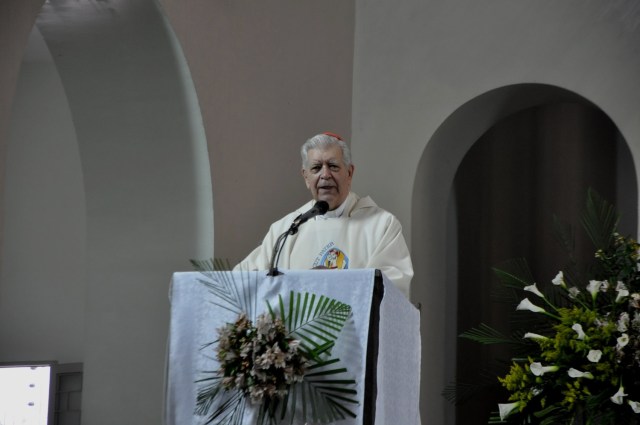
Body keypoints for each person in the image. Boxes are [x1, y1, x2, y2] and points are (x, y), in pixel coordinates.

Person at [235, 132, 413, 298]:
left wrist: (329, 285)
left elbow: (392, 287)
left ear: (349, 173)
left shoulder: (381, 226)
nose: (325, 175)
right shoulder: (286, 229)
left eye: (333, 166)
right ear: (306, 177)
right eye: (316, 168)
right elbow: (241, 282)